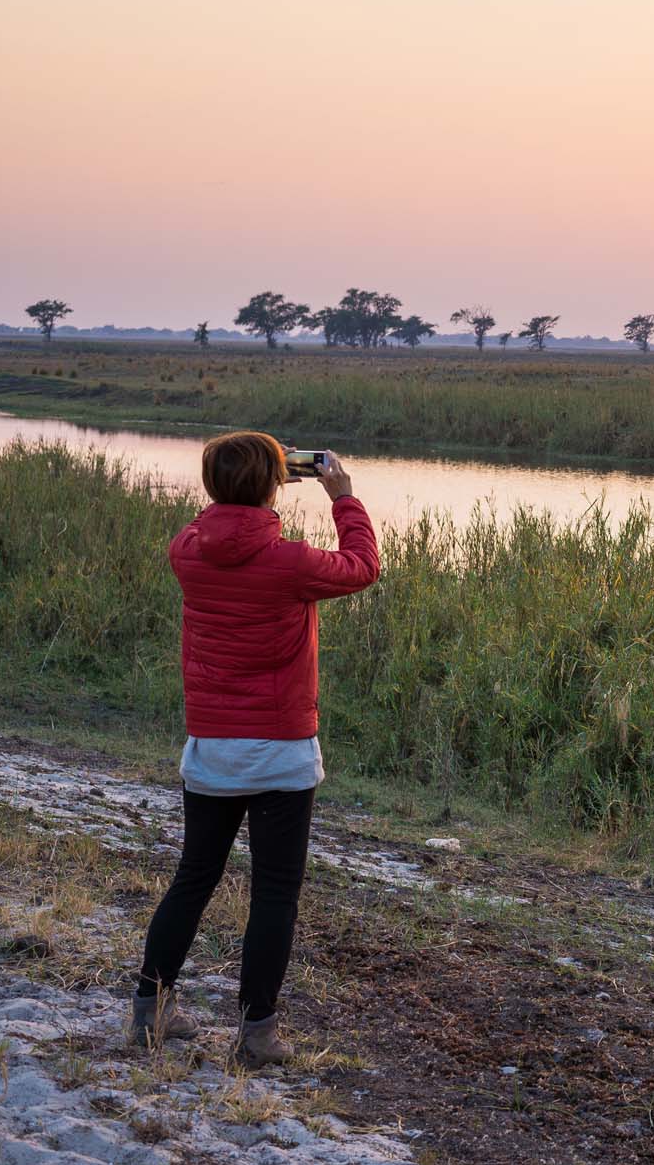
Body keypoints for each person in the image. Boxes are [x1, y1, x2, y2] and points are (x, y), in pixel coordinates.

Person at [130, 432, 379, 1066]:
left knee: (193, 879)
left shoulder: (186, 550)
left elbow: (212, 529)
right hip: (281, 757)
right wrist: (342, 496)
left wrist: (244, 491)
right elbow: (362, 567)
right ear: (274, 484)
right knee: (274, 894)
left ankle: (149, 1014)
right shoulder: (291, 563)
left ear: (211, 487)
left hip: (211, 750)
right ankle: (257, 1035)